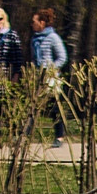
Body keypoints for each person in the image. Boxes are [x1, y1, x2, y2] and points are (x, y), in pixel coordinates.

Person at [29, 9, 69, 143]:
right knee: (32, 106)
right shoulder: (34, 38)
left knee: (54, 107)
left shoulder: (53, 37)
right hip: (37, 76)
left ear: (42, 22)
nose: (32, 24)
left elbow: (62, 57)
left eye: (34, 21)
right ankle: (25, 135)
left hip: (50, 78)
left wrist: (51, 70)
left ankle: (59, 136)